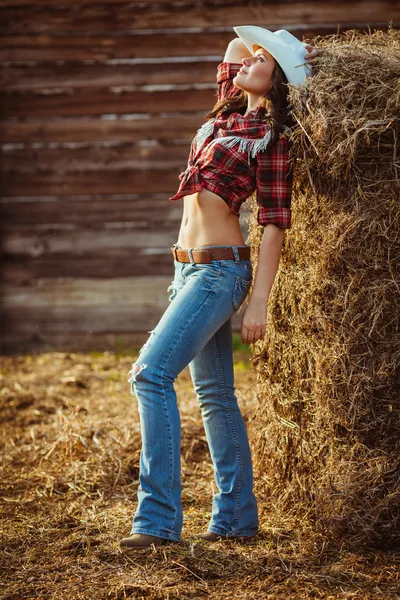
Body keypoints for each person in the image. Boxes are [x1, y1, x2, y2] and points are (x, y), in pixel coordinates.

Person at [120, 26, 319, 550]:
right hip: (184, 269)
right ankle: (235, 517)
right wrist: (273, 51)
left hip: (220, 271)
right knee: (215, 395)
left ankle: (157, 521)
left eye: (265, 61)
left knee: (150, 374)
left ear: (276, 84)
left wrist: (259, 302)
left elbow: (274, 222)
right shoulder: (225, 110)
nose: (251, 59)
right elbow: (235, 48)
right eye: (255, 58)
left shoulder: (272, 138)